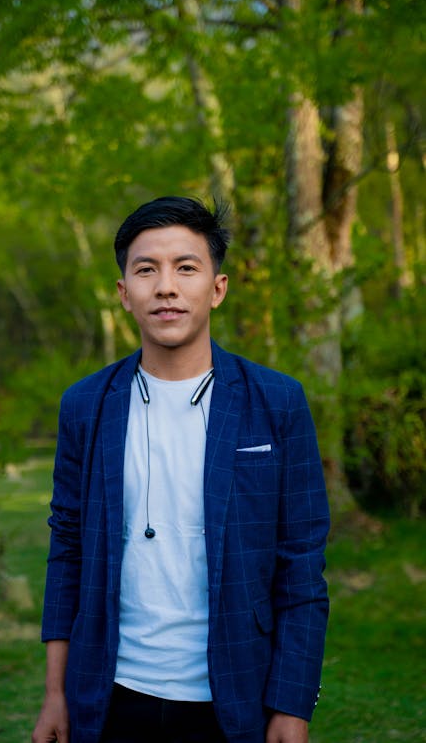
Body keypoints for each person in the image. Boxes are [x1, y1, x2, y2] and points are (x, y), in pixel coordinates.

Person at [32, 196, 330, 743]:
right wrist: (56, 694)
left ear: (216, 288)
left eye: (185, 267)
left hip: (236, 694)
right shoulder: (86, 405)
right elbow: (67, 551)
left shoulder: (277, 401)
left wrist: (294, 704)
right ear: (124, 294)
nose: (166, 286)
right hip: (112, 691)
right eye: (146, 270)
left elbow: (302, 566)